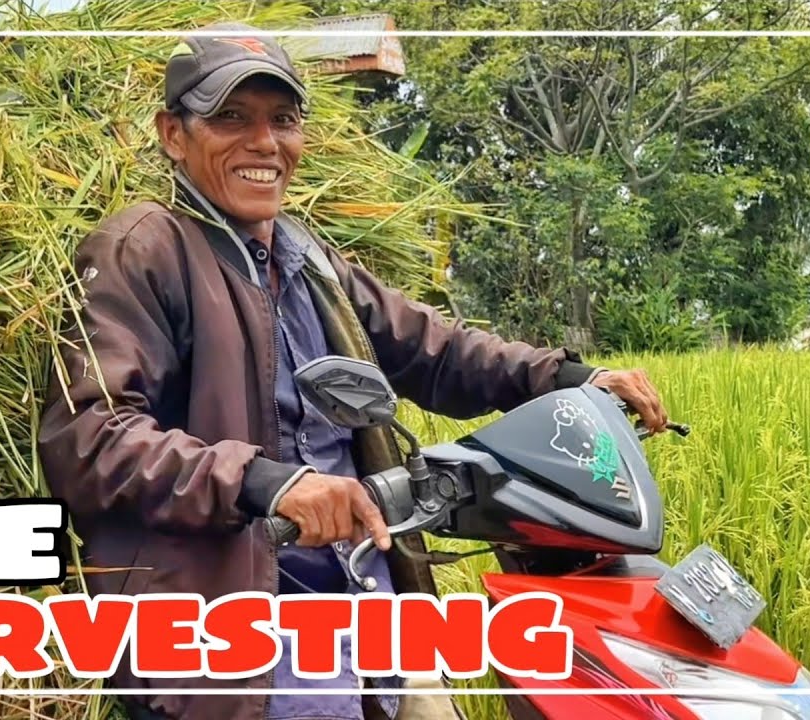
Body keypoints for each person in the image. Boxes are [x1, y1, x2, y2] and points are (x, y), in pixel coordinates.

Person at [37, 22, 669, 720]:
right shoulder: (144, 249)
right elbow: (92, 437)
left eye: (283, 121)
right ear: (173, 134)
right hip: (241, 635)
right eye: (230, 119)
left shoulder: (309, 261)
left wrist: (569, 379)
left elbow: (435, 350)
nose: (265, 143)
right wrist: (264, 484)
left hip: (368, 604)